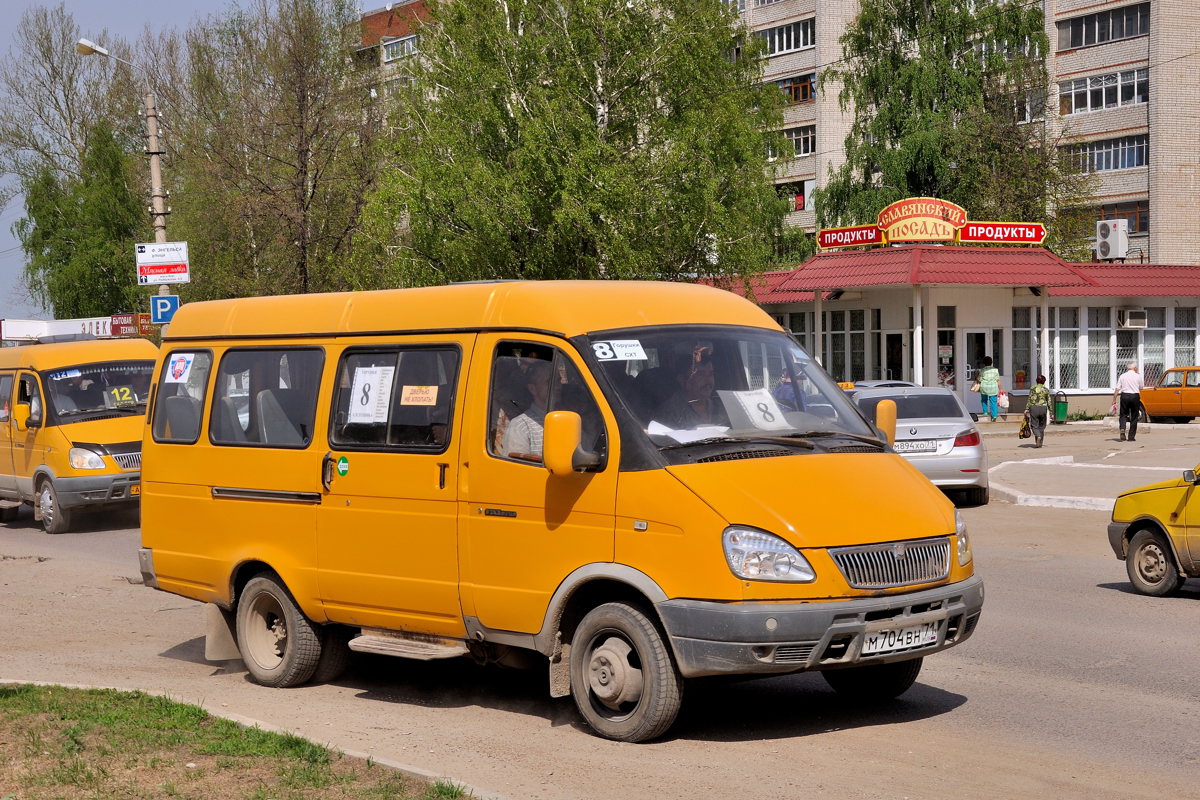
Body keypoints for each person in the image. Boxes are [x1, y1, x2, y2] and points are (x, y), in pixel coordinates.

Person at [658, 349, 728, 429]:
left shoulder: (720, 407)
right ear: (682, 380)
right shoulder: (669, 413)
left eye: (711, 374)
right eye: (700, 374)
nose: (708, 380)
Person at [501, 358, 552, 460]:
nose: (558, 386)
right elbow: (516, 472)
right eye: (549, 382)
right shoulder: (521, 426)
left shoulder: (572, 419)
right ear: (533, 389)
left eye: (558, 381)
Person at [1113, 361, 1144, 442]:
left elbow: (1117, 389)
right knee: (1134, 416)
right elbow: (1141, 387)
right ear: (1135, 368)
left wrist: (1114, 400)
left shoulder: (1122, 376)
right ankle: (1131, 436)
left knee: (1123, 414)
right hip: (1134, 396)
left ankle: (1122, 428)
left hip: (1125, 396)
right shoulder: (1138, 376)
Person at [1027, 374, 1051, 448]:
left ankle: (1038, 436)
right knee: (1042, 426)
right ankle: (1040, 443)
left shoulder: (1032, 388)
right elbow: (1049, 401)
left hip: (1034, 408)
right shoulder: (1046, 390)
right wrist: (1051, 411)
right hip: (1043, 408)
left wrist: (1026, 409)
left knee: (1034, 425)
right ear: (1044, 382)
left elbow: (1030, 399)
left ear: (1036, 381)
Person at [977, 356, 1003, 422]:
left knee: (984, 400)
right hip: (993, 388)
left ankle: (985, 412)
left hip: (984, 387)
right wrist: (1001, 389)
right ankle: (994, 415)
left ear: (984, 363)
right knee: (993, 402)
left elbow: (979, 379)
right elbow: (998, 380)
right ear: (991, 362)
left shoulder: (982, 370)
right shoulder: (995, 370)